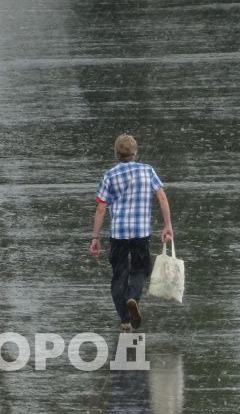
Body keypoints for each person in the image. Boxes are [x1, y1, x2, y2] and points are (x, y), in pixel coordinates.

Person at [89, 134, 173, 332]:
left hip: (118, 233)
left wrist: (95, 237)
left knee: (119, 275)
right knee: (140, 269)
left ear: (116, 153)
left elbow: (101, 208)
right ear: (135, 152)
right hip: (141, 231)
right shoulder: (147, 171)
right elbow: (161, 197)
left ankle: (126, 319)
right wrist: (167, 225)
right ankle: (133, 298)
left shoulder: (110, 175)